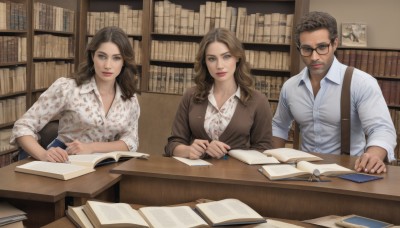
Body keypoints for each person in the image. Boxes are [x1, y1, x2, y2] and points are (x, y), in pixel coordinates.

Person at [272, 11, 397, 174]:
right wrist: (273, 162)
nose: (314, 56)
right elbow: (279, 126)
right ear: (299, 48)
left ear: (335, 43)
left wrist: (374, 155)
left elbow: (381, 129)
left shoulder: (361, 83)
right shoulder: (290, 87)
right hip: (305, 172)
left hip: (350, 172)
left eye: (322, 47)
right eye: (307, 49)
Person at [10, 26, 140, 163]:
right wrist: (43, 155)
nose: (108, 65)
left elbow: (131, 141)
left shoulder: (129, 97)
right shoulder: (68, 88)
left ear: (124, 61)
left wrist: (92, 147)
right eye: (102, 56)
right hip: (66, 165)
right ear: (92, 56)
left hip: (105, 168)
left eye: (116, 58)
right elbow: (23, 126)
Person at [164, 28, 273, 159]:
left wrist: (229, 153)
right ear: (205, 62)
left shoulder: (258, 101)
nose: (219, 65)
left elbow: (264, 150)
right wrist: (188, 150)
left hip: (237, 177)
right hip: (195, 176)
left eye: (226, 57)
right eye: (212, 59)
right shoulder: (191, 95)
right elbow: (172, 145)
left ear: (237, 57)